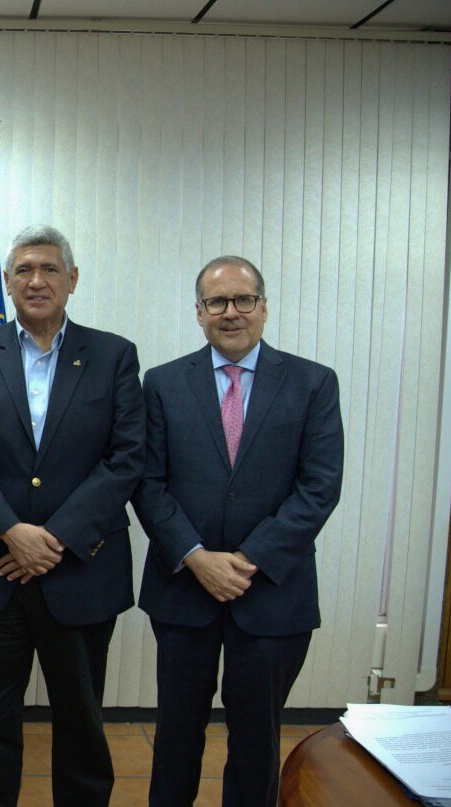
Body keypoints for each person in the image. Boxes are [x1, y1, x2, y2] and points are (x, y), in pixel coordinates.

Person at [0, 224, 145, 807]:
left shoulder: (113, 355)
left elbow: (127, 458)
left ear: (72, 280)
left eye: (50, 269)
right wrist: (10, 532)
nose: (36, 280)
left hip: (80, 570)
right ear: (6, 282)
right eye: (23, 270)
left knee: (80, 721)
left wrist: (51, 539)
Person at [132, 256, 343, 807]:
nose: (231, 312)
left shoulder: (313, 382)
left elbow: (319, 487)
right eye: (217, 302)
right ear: (198, 313)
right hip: (184, 590)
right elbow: (147, 484)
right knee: (176, 736)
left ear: (264, 308)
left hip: (272, 591)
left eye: (243, 300)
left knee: (256, 741)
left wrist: (246, 560)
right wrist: (197, 556)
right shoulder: (161, 383)